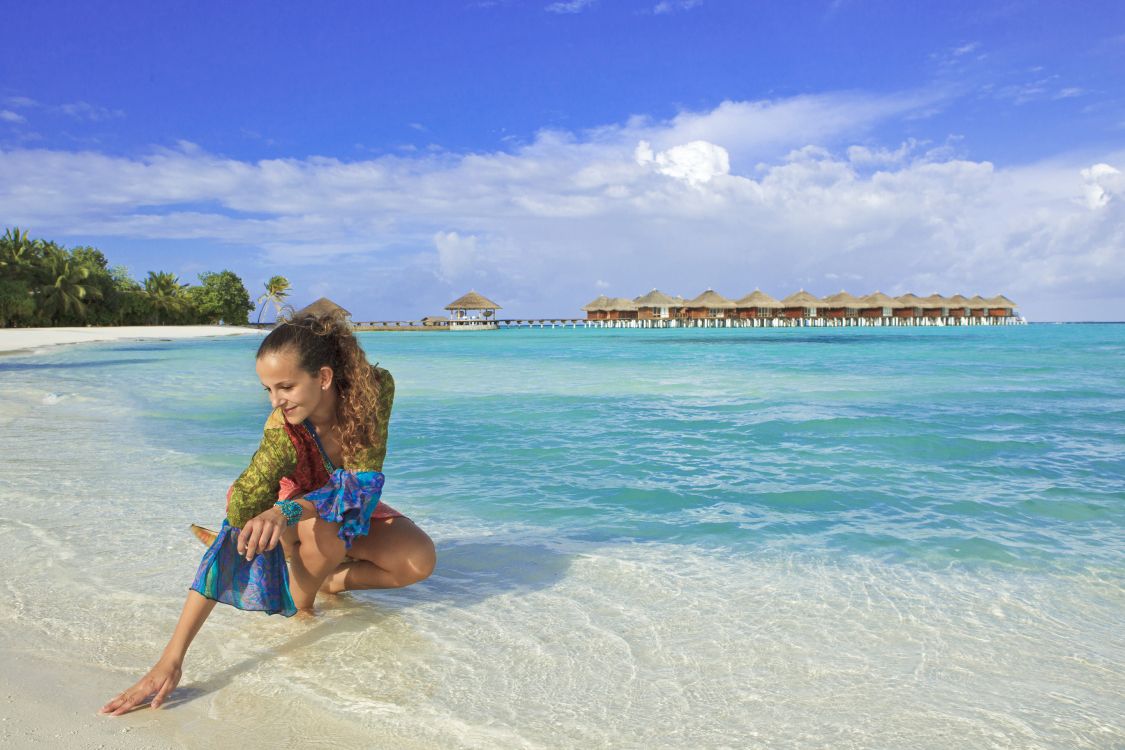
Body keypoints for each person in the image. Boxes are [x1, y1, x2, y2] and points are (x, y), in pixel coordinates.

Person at [100, 312, 436, 716]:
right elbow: (231, 535)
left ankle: (330, 579)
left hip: (346, 499)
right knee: (322, 541)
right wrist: (171, 658)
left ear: (324, 377)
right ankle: (305, 597)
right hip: (295, 511)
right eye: (268, 390)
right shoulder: (282, 434)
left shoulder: (375, 389)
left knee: (418, 561)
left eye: (286, 386)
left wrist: (290, 511)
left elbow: (362, 482)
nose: (276, 401)